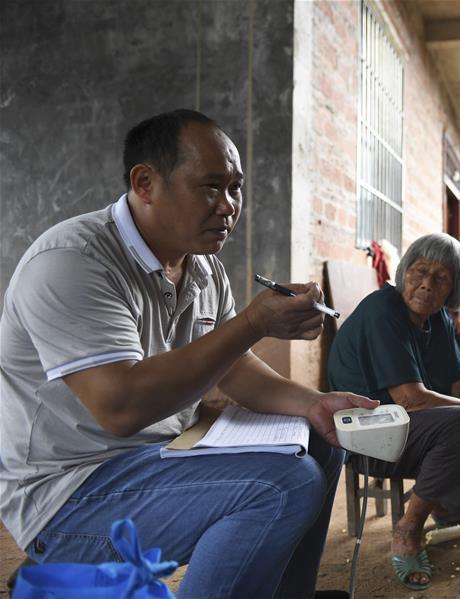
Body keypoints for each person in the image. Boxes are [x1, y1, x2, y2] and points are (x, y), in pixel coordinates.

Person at [0, 109, 377, 598]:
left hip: (158, 461)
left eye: (235, 188)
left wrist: (313, 403)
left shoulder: (202, 268)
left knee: (321, 441)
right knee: (281, 484)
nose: (228, 206)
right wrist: (254, 322)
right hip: (69, 494)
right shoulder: (73, 262)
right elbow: (120, 407)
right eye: (210, 187)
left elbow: (233, 367)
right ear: (145, 183)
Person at [327, 233, 460, 591]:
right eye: (420, 271)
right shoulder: (384, 311)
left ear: (454, 288)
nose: (427, 285)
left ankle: (449, 506)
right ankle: (409, 528)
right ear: (404, 272)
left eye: (441, 278)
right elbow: (411, 399)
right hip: (370, 437)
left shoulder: (438, 320)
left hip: (409, 429)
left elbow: (458, 385)